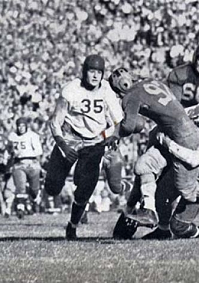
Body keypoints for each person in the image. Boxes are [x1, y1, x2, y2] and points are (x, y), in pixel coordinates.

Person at [113, 97, 199, 240]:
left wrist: (169, 144)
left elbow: (194, 159)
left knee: (179, 226)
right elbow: (178, 116)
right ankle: (163, 230)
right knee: (160, 196)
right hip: (180, 162)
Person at [108, 67, 199, 227]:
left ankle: (180, 225)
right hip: (183, 131)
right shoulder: (152, 81)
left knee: (182, 190)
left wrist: (115, 134)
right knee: (144, 165)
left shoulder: (130, 95)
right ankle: (148, 211)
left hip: (181, 138)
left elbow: (129, 126)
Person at [44, 54, 124, 240]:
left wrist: (114, 135)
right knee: (53, 187)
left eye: (99, 72)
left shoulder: (106, 89)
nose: (95, 76)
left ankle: (72, 225)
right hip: (70, 137)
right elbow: (55, 122)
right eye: (91, 71)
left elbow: (118, 120)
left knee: (86, 188)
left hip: (93, 141)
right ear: (84, 72)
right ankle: (60, 186)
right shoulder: (71, 90)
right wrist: (63, 145)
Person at [8, 117, 43, 219]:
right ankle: (21, 209)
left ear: (26, 126)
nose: (21, 128)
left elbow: (39, 152)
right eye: (19, 126)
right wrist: (12, 153)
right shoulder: (13, 136)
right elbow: (10, 150)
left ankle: (35, 198)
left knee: (34, 190)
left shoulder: (33, 136)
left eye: (23, 126)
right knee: (20, 187)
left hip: (32, 163)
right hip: (19, 163)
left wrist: (37, 164)